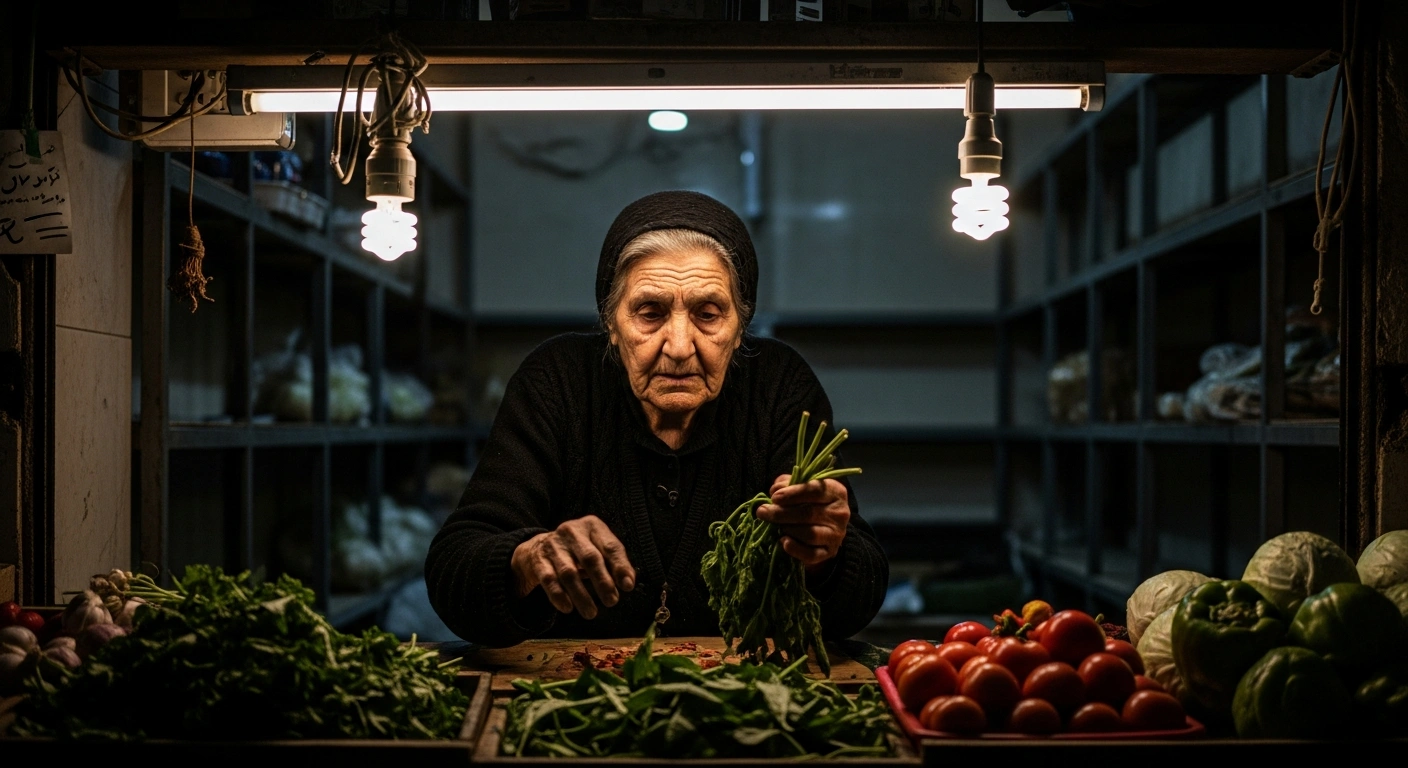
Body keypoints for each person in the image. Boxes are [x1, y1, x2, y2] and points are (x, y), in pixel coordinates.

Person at [425, 190, 888, 647]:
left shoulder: (780, 385)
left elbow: (861, 592)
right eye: (650, 313)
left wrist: (823, 556)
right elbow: (454, 572)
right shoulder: (557, 382)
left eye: (709, 314)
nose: (680, 346)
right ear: (611, 323)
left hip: (742, 689)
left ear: (740, 325)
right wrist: (525, 560)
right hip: (581, 692)